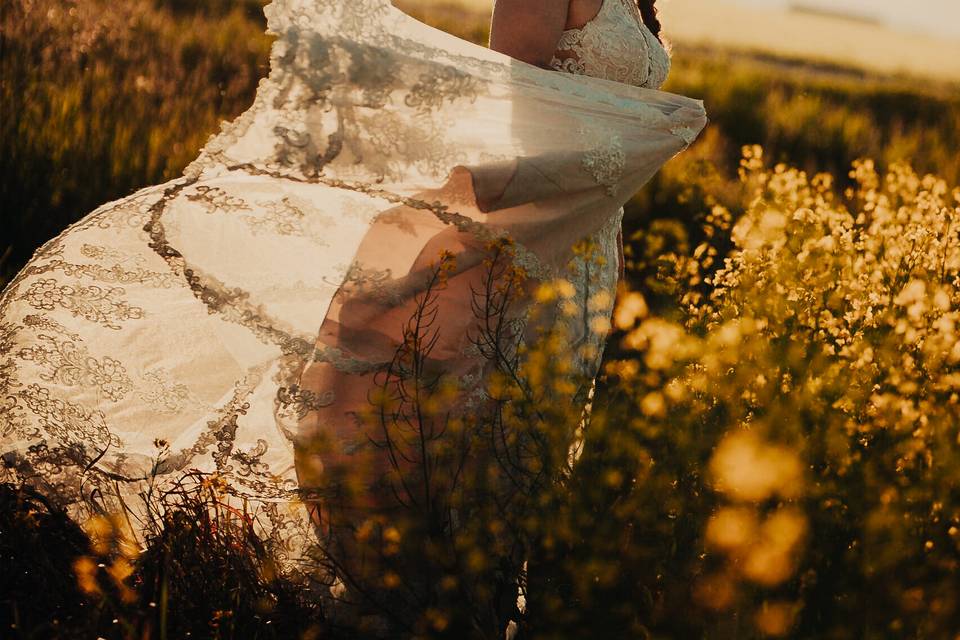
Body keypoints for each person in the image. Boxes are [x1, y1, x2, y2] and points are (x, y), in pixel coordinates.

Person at [0, 0, 704, 633]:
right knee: (469, 415)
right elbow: (511, 102)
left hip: (587, 240)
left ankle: (486, 601)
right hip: (529, 228)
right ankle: (418, 596)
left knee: (534, 421)